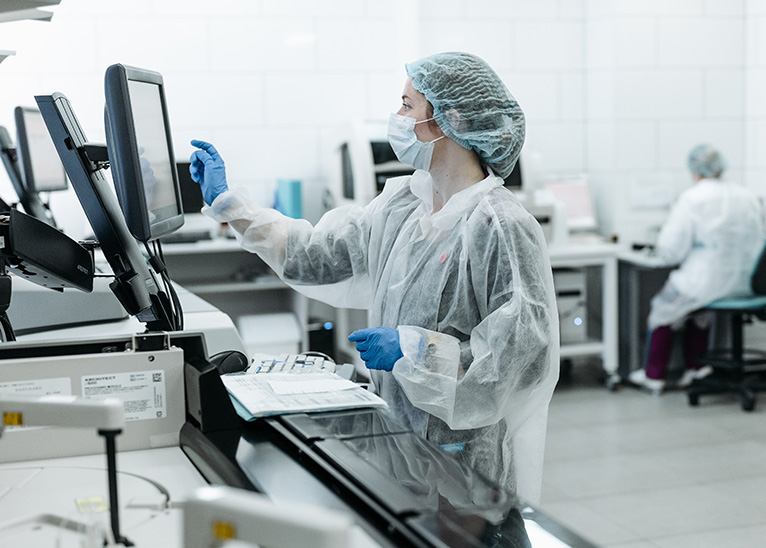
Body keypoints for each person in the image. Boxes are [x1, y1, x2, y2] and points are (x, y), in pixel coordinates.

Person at [188, 52, 560, 504]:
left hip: (466, 459)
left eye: (407, 105)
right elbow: (317, 256)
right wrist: (231, 206)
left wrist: (415, 350)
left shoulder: (500, 225)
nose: (397, 118)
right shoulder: (402, 204)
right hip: (398, 439)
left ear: (449, 119)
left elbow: (521, 358)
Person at [628, 144, 766, 394]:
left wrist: (659, 251)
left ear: (694, 170)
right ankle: (696, 367)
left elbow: (672, 250)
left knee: (664, 307)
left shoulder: (692, 198)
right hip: (744, 282)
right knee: (698, 312)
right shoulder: (746, 196)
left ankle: (654, 375)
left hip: (707, 279)